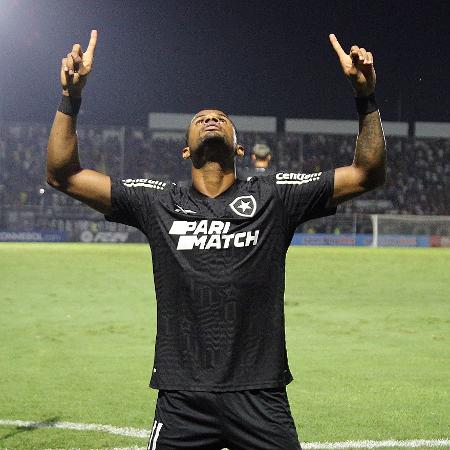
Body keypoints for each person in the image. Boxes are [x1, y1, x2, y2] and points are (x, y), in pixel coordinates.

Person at [47, 30, 386, 450]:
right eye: (200, 119)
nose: (210, 118)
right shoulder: (157, 200)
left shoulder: (274, 195)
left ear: (239, 148)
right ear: (185, 151)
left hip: (260, 393)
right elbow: (62, 175)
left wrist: (366, 99)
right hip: (181, 398)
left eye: (222, 118)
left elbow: (367, 173)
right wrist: (70, 99)